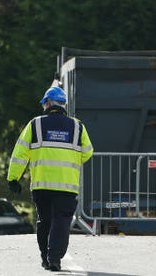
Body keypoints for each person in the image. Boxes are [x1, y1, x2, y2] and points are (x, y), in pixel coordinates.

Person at [7, 86, 93, 272]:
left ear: (47, 103)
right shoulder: (78, 126)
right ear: (63, 105)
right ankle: (54, 258)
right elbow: (87, 153)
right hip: (67, 186)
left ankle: (45, 258)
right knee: (61, 221)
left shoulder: (35, 124)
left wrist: (13, 178)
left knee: (45, 220)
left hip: (42, 185)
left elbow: (20, 153)